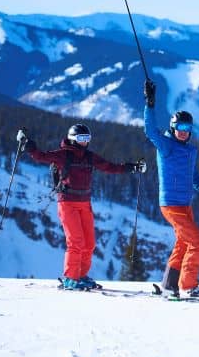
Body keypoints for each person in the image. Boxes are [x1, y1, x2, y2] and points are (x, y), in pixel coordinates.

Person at [18, 124, 146, 290]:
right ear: (72, 139)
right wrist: (28, 145)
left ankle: (81, 275)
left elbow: (110, 167)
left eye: (87, 139)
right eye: (81, 139)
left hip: (84, 202)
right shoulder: (64, 155)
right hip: (67, 202)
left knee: (89, 243)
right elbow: (40, 156)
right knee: (76, 241)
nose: (85, 142)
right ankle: (70, 278)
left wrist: (132, 167)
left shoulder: (89, 157)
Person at [143, 80, 199, 300]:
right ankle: (189, 286)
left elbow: (194, 178)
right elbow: (150, 131)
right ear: (173, 127)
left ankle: (170, 285)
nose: (183, 132)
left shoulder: (189, 151)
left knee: (183, 242)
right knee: (197, 240)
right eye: (179, 127)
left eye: (187, 129)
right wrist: (150, 103)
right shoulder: (166, 146)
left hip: (185, 204)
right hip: (170, 204)